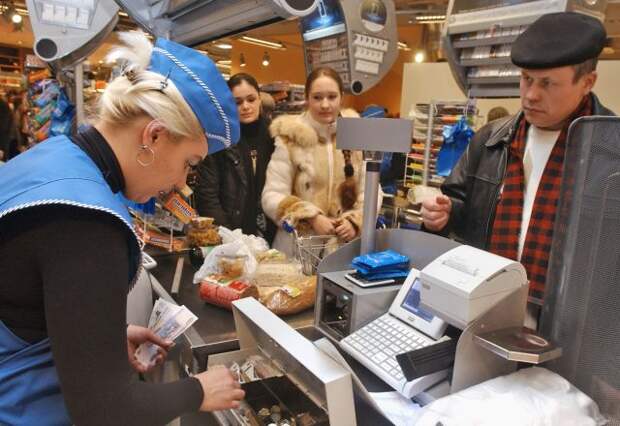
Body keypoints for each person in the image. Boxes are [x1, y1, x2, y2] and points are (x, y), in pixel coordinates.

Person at [0, 32, 245, 425]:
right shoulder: (87, 224)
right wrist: (200, 390)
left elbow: (23, 301)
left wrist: (100, 333)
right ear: (154, 136)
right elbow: (105, 412)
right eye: (190, 163)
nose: (182, 183)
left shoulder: (57, 157)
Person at [421, 12, 614, 327]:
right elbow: (462, 208)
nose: (531, 94)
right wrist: (442, 214)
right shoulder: (491, 140)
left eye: (547, 83)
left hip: (575, 332)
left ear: (587, 82)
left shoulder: (611, 154)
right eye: (526, 79)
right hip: (484, 318)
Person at [262, 67, 366, 257]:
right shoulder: (290, 137)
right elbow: (272, 195)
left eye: (332, 97)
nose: (325, 104)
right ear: (307, 98)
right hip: (298, 251)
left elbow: (370, 192)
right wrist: (310, 216)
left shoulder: (355, 134)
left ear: (341, 97)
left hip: (343, 251)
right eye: (317, 97)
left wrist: (354, 221)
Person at [195, 73, 276, 244]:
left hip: (273, 232)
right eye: (237, 102)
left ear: (259, 99)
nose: (245, 107)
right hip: (232, 235)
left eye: (251, 99)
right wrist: (230, 237)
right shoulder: (218, 141)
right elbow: (207, 195)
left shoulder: (276, 137)